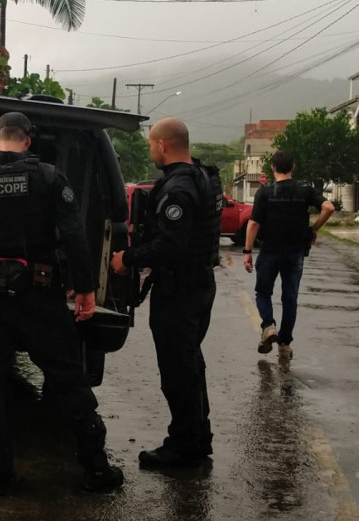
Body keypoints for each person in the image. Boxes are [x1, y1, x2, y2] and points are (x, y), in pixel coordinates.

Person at [0, 112, 124, 496]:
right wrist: (85, 290)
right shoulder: (50, 177)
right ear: (29, 141)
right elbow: (74, 235)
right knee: (67, 379)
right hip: (41, 295)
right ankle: (97, 470)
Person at [110, 117, 222, 469]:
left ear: (162, 145)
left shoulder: (178, 188)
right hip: (197, 284)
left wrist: (128, 258)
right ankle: (197, 437)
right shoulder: (203, 177)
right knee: (190, 363)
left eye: (150, 145)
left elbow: (171, 244)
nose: (151, 151)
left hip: (180, 289)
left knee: (178, 369)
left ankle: (183, 446)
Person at [242, 150, 334, 361]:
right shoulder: (305, 190)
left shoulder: (264, 191)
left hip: (270, 251)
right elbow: (328, 207)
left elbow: (254, 223)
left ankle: (268, 325)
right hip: (295, 253)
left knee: (263, 293)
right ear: (293, 167)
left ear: (273, 167)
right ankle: (284, 345)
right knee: (290, 298)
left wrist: (247, 251)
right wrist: (314, 229)